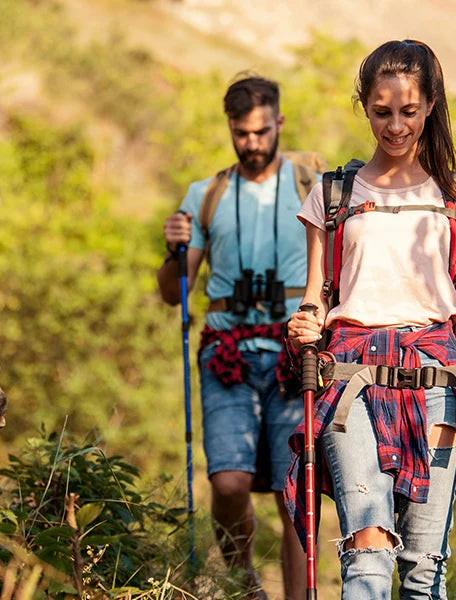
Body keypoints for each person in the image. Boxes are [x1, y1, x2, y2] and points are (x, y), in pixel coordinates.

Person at [284, 40, 456, 600]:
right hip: (351, 379)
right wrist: (303, 322)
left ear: (431, 106)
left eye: (408, 111)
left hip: (438, 381)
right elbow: (317, 297)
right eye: (381, 111)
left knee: (424, 566)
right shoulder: (333, 194)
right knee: (367, 554)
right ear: (365, 106)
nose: (395, 126)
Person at [158, 75, 324, 600]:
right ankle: (245, 585)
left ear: (278, 122)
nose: (251, 143)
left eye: (260, 131)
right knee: (227, 483)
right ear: (230, 129)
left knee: (294, 491)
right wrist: (173, 249)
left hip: (295, 354)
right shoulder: (204, 195)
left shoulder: (312, 182)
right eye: (240, 133)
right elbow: (172, 292)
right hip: (226, 353)